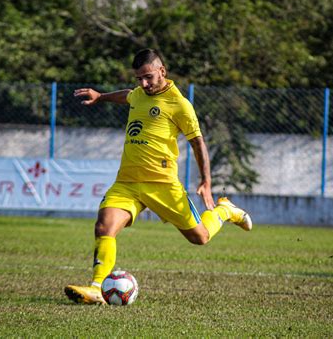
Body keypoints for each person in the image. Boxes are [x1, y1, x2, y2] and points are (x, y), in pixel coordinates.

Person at [65, 48, 252, 304]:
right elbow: (128, 97)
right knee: (104, 226)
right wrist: (101, 96)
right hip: (127, 183)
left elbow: (198, 143)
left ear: (162, 71)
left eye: (148, 77)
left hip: (163, 184)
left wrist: (206, 181)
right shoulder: (140, 94)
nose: (143, 83)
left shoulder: (180, 105)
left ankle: (225, 211)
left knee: (200, 238)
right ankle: (97, 287)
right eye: (139, 78)